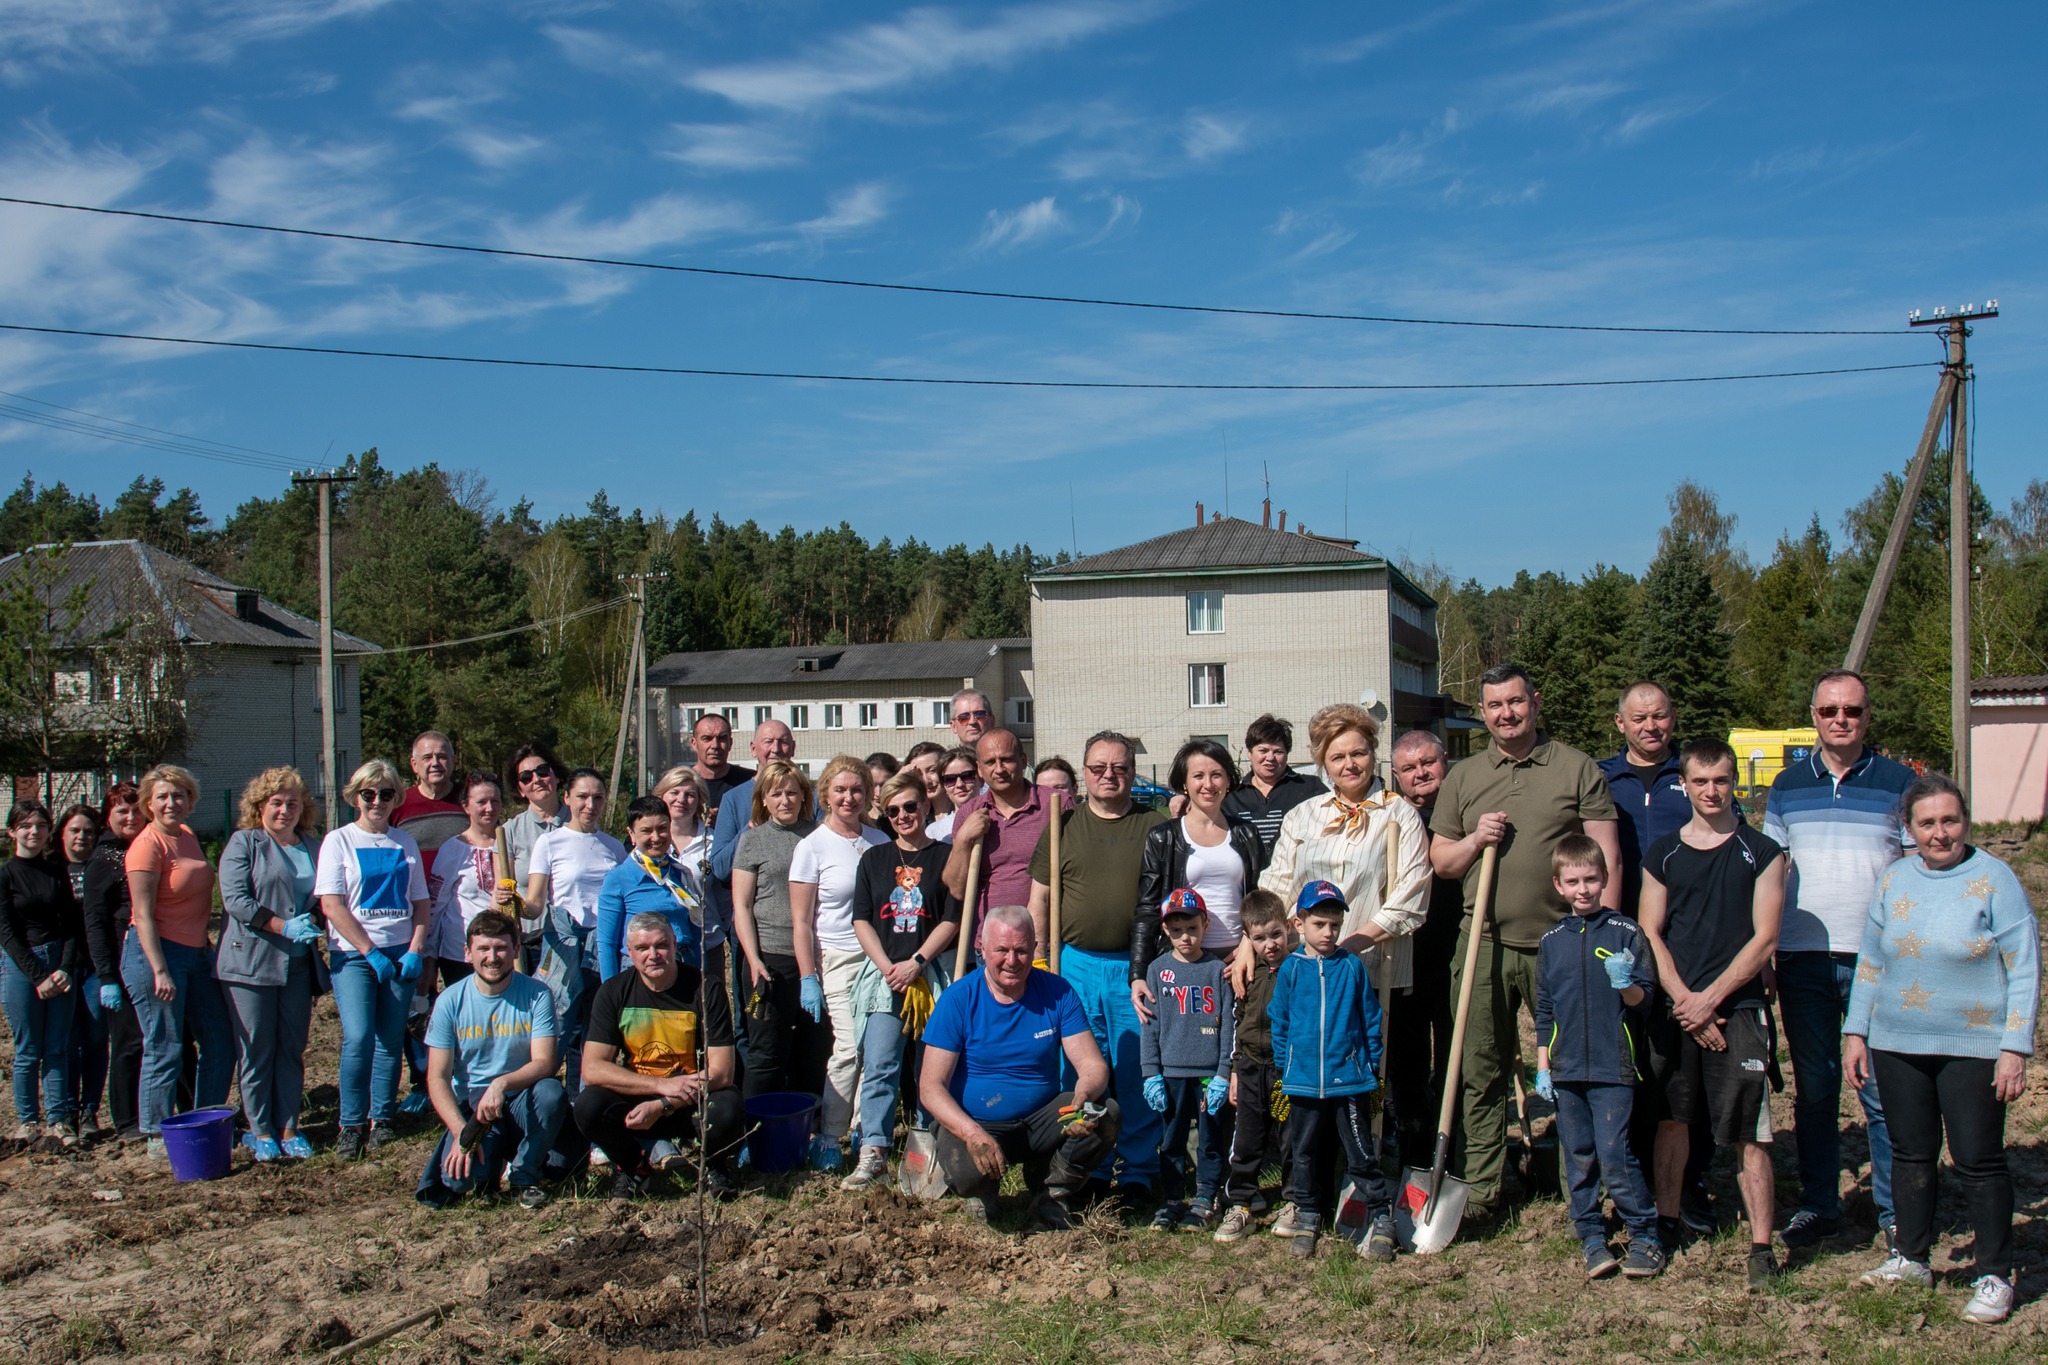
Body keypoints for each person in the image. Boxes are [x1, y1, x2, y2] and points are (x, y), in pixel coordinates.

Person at [1429, 663, 1622, 1224]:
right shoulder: (1464, 776)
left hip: (1562, 942)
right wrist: (1474, 839)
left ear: (1534, 703)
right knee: (1479, 1066)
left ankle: (1578, 1189)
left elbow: (1605, 857)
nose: (1505, 714)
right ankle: (1484, 1191)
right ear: (1483, 711)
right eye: (1493, 706)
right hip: (1483, 940)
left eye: (1515, 702)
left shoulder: (1575, 767)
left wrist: (1610, 938)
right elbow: (1442, 862)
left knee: (1571, 1068)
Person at [1844, 773, 2037, 1325]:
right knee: (1910, 1153)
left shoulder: (1995, 879)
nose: (1939, 833)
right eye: (1926, 823)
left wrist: (2015, 1047)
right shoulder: (1895, 879)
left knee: (1977, 1160)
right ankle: (1910, 1256)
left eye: (1949, 820)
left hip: (1974, 1046)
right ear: (1909, 828)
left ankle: (1995, 1274)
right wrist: (1857, 1031)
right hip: (1897, 1041)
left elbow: (2024, 968)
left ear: (1966, 822)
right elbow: (1872, 960)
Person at [1766, 669, 1914, 1252]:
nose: (1840, 720)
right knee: (1817, 1090)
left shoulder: (1900, 783)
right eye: (1830, 710)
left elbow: (1914, 873)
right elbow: (1774, 874)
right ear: (1814, 715)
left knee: (1880, 1090)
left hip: (1878, 962)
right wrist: (1767, 950)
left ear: (1867, 716)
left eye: (1851, 710)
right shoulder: (1786, 786)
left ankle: (1895, 1211)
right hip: (1802, 957)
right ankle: (1819, 1205)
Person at [1638, 738, 1787, 1289]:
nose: (1711, 791)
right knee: (1673, 1121)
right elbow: (1650, 930)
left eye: (1721, 780)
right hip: (1678, 1012)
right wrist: (1684, 1001)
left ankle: (1761, 1248)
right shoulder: (1664, 854)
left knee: (1752, 1131)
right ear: (1685, 784)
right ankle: (1668, 1221)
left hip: (1738, 1009)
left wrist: (1711, 1000)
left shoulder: (1764, 851)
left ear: (1734, 782)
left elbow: (1765, 937)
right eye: (1700, 781)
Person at [919, 904, 1121, 1227]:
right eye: (1001, 950)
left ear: (1034, 949)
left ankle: (1051, 1193)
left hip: (1040, 1120)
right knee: (965, 1168)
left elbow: (1093, 1066)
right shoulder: (957, 1000)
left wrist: (1084, 1094)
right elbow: (930, 1088)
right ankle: (982, 1194)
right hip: (976, 1121)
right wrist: (971, 1133)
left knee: (1106, 1113)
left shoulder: (1058, 993)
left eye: (1021, 951)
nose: (1012, 961)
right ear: (982, 949)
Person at [1029, 730, 1167, 1203]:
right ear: (1083, 774)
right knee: (1083, 1073)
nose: (1109, 775)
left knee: (1136, 1069)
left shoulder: (1157, 823)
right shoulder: (1061, 824)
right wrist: (1044, 963)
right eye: (1098, 768)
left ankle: (1138, 1172)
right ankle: (1088, 1166)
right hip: (1076, 967)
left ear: (1133, 772)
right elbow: (1040, 899)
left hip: (1137, 970)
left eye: (1120, 768)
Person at [1532, 836, 1663, 1281]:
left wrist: (1625, 983)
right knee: (1579, 1155)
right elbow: (1544, 1007)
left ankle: (1645, 1232)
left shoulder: (1626, 933)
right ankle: (1590, 1234)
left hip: (1613, 1066)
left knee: (1614, 1154)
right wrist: (1543, 1066)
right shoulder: (1551, 942)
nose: (1583, 889)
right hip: (1567, 1070)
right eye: (1573, 881)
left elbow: (1645, 999)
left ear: (1605, 879)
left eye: (1591, 879)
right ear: (1558, 885)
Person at [841, 769, 962, 1190]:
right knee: (880, 1063)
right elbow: (861, 918)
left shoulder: (946, 857)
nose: (903, 815)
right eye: (893, 811)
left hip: (932, 975)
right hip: (885, 978)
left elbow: (952, 918)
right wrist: (887, 965)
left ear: (926, 806)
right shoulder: (873, 859)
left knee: (930, 1068)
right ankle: (873, 1149)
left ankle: (928, 1147)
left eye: (910, 806)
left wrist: (917, 960)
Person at [572, 912, 743, 1201]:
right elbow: (592, 1069)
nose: (653, 955)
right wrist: (660, 1087)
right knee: (588, 1106)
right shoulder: (613, 992)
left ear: (675, 945)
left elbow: (722, 1071)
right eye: (642, 948)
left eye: (661, 945)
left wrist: (665, 1103)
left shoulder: (706, 988)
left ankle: (714, 1166)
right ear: (629, 952)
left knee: (728, 1107)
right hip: (640, 1099)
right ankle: (633, 1167)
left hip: (690, 1100)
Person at [1269, 881, 1394, 1260]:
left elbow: (1370, 1019)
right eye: (1320, 924)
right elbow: (1281, 1020)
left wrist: (1370, 1067)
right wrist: (1285, 1067)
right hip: (1303, 1082)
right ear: (1299, 924)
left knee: (1360, 1152)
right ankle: (1308, 1214)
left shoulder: (1351, 967)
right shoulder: (1290, 970)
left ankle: (1381, 1216)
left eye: (1335, 926)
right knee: (1303, 1151)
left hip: (1350, 1081)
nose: (1328, 933)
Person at [317, 759, 432, 1158]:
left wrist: (415, 949)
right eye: (369, 794)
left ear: (396, 797)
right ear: (356, 797)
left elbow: (420, 904)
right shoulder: (339, 841)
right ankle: (350, 1123)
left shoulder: (405, 843)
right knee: (359, 1037)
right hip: (353, 956)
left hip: (401, 953)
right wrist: (369, 951)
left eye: (385, 794)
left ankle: (381, 1118)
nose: (377, 801)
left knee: (388, 1040)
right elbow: (332, 905)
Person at [419, 911, 565, 1210]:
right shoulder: (450, 1001)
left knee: (551, 1091)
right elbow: (437, 1077)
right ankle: (491, 1165)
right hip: (476, 1109)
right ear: (467, 952)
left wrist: (501, 1083)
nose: (492, 957)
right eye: (483, 949)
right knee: (458, 1181)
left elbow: (545, 1062)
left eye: (500, 948)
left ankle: (525, 1177)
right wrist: (463, 1133)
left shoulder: (538, 994)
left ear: (515, 950)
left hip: (523, 1099)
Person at [216, 768, 327, 1162]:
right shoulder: (245, 844)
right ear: (260, 806)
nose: (284, 810)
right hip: (251, 965)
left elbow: (324, 897)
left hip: (297, 966)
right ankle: (260, 1129)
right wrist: (282, 925)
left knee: (292, 1048)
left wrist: (315, 922)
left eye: (292, 803)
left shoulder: (314, 847)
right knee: (257, 1048)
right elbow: (236, 901)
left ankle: (289, 1126)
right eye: (276, 803)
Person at [122, 764, 231, 1156]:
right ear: (149, 803)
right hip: (156, 953)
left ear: (190, 800)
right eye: (163, 797)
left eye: (179, 795)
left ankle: (208, 1120)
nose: (172, 803)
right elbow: (143, 913)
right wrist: (160, 969)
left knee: (219, 1040)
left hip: (196, 952)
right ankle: (155, 1132)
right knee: (165, 1044)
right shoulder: (146, 845)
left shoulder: (185, 836)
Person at [790, 754, 889, 1170]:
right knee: (848, 1048)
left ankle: (867, 1133)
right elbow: (801, 921)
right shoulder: (811, 846)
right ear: (825, 794)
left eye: (857, 790)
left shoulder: (880, 842)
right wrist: (807, 975)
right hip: (837, 957)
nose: (849, 797)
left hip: (881, 960)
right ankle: (830, 1135)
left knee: (875, 1049)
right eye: (840, 790)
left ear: (869, 795)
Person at [1132, 739, 1265, 1021]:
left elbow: (1259, 899)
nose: (1208, 784)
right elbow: (1147, 908)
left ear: (1228, 780)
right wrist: (1138, 973)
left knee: (1239, 1045)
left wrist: (1249, 944)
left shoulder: (1247, 834)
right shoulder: (1163, 837)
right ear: (1184, 783)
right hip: (1185, 962)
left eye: (1216, 775)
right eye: (1198, 776)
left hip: (1239, 959)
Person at [1386, 730, 1464, 1169]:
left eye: (1428, 763)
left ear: (1445, 761)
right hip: (1406, 957)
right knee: (1407, 1061)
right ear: (1396, 776)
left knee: (1459, 1055)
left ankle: (1459, 1146)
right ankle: (1413, 1147)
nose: (1421, 774)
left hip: (1458, 952)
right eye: (1409, 769)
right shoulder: (1391, 817)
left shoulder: (1461, 810)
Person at [1138, 889, 1237, 1232]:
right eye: (1177, 929)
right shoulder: (1157, 970)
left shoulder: (1216, 970)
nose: (1185, 936)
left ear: (1205, 925)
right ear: (1166, 930)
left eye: (1192, 928)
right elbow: (1149, 1027)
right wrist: (1151, 1072)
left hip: (1209, 1074)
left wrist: (1224, 1073)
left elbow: (1228, 1027)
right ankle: (1171, 1200)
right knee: (1172, 1139)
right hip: (1172, 1074)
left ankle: (1205, 1197)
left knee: (1210, 1139)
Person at [525, 768, 625, 1091]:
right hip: (563, 947)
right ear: (567, 798)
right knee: (557, 1029)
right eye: (582, 796)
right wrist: (513, 902)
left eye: (597, 797)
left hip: (604, 947)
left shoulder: (614, 848)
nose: (590, 804)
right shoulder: (550, 843)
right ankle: (543, 1100)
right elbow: (535, 903)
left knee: (597, 1034)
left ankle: (585, 1103)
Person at [731, 762, 825, 1101]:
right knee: (767, 1052)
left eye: (792, 792)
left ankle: (809, 1127)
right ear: (764, 800)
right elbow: (741, 905)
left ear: (804, 796)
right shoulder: (753, 841)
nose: (785, 800)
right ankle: (752, 1132)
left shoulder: (820, 835)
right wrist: (753, 958)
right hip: (769, 960)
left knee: (814, 1050)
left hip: (816, 961)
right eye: (776, 794)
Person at [1, 800, 84, 1145]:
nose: (34, 832)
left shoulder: (56, 871)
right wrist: (38, 976)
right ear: (12, 832)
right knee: (28, 1049)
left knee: (57, 1047)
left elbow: (70, 923)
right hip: (22, 966)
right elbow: (6, 932)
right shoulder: (5, 874)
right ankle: (28, 1121)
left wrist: (64, 967)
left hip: (59, 963)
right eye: (26, 826)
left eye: (40, 825)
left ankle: (58, 1120)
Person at [1213, 889, 1292, 1243]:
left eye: (1275, 934)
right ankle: (1240, 1202)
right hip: (1248, 1066)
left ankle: (1294, 1201)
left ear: (1289, 928)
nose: (1270, 944)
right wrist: (1233, 1070)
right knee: (1246, 1138)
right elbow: (1236, 1018)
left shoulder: (1297, 969)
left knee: (1289, 1136)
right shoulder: (1245, 971)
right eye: (1259, 938)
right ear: (1249, 939)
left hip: (1285, 1071)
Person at [945, 729, 1061, 952]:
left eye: (1006, 759)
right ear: (980, 769)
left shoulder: (1056, 804)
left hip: (1048, 943)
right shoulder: (970, 812)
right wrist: (962, 840)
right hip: (992, 946)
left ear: (1023, 760)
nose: (999, 769)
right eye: (990, 762)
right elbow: (957, 889)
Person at [81, 782, 148, 1141]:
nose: (131, 816)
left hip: (158, 954)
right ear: (109, 816)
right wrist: (106, 974)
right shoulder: (105, 859)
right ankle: (126, 1120)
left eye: (137, 809)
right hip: (122, 961)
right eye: (122, 810)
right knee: (129, 1042)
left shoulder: (152, 845)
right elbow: (95, 920)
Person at [427, 772, 522, 987]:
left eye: (494, 801)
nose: (489, 808)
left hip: (505, 951)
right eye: (481, 802)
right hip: (460, 953)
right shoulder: (453, 849)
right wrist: (428, 957)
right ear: (466, 806)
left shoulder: (513, 844)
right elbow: (435, 905)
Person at [597, 796, 705, 979]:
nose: (656, 837)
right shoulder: (619, 879)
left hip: (684, 965)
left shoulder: (679, 873)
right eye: (646, 831)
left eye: (662, 828)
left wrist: (702, 977)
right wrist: (611, 993)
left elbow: (694, 929)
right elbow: (607, 942)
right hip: (642, 970)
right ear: (631, 834)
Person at [706, 719, 798, 933]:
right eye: (768, 742)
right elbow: (719, 868)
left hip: (803, 918)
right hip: (751, 923)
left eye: (783, 742)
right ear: (753, 749)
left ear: (793, 748)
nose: (775, 749)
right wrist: (750, 829)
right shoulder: (734, 799)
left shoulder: (809, 798)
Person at [54, 804, 107, 1139]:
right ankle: (67, 1109)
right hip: (61, 967)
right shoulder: (52, 870)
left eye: (88, 831)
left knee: (97, 1039)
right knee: (66, 1040)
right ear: (62, 834)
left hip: (97, 966)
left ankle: (90, 1109)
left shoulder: (101, 867)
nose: (82, 837)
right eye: (75, 830)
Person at [1224, 714, 1327, 858]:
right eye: (1263, 750)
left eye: (1278, 751)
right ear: (1249, 753)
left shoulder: (1310, 788)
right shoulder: (1230, 796)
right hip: (1245, 879)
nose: (1270, 758)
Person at [503, 742, 569, 958]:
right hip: (529, 942)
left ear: (556, 775)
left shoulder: (582, 822)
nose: (537, 779)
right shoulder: (509, 832)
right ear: (519, 790)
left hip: (575, 939)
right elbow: (502, 892)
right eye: (526, 777)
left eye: (542, 771)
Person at [652, 766, 718, 973]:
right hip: (658, 944)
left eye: (690, 795)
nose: (682, 799)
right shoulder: (646, 842)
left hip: (706, 943)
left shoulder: (713, 841)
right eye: (674, 792)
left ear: (699, 802)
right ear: (661, 795)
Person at [687, 713, 753, 832]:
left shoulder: (750, 782)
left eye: (722, 738)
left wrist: (727, 821)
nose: (715, 745)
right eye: (707, 738)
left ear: (730, 743)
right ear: (694, 743)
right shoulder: (681, 785)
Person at [392, 730, 463, 828]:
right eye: (427, 757)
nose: (435, 763)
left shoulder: (471, 800)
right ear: (414, 764)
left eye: (442, 757)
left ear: (453, 761)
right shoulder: (398, 804)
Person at [924, 747, 978, 842]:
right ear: (944, 786)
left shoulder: (998, 821)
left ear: (981, 779)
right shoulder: (933, 832)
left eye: (967, 776)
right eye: (950, 779)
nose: (959, 784)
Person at [902, 740, 950, 830]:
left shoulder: (962, 810)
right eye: (918, 774)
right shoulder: (914, 817)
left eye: (932, 771)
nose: (926, 781)